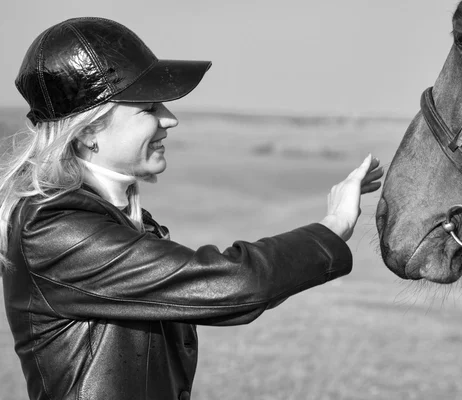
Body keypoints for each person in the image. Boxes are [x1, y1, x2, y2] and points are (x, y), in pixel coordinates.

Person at [1, 17, 383, 400]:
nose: (170, 118)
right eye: (149, 107)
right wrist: (333, 226)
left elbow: (226, 295)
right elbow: (233, 284)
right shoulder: (54, 227)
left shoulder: (113, 217)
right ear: (87, 131)